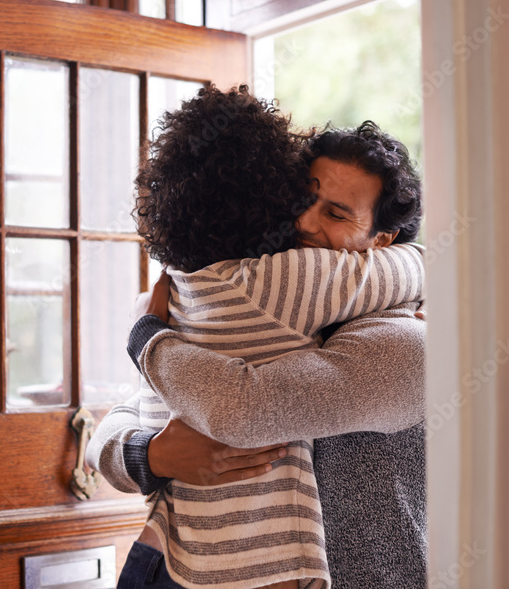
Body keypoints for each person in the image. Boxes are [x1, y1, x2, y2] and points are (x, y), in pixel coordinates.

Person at [99, 84, 426, 588]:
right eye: (301, 199)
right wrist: (150, 454)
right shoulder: (254, 301)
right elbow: (127, 412)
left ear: (382, 242)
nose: (303, 222)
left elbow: (242, 410)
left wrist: (146, 336)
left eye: (336, 214)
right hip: (169, 563)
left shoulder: (402, 344)